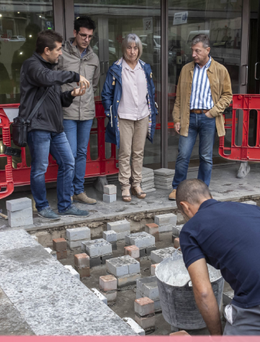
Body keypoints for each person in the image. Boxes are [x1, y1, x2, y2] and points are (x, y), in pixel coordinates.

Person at [176, 179, 260, 335]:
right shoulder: (248, 208)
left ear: (184, 207)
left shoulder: (190, 230)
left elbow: (204, 292)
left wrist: (217, 337)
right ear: (210, 196)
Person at [19, 30, 91, 219]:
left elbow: (55, 99)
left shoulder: (50, 68)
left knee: (68, 162)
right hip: (38, 127)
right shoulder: (32, 66)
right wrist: (74, 75)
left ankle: (65, 205)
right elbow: (46, 78)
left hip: (55, 127)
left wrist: (70, 95)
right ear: (46, 50)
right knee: (40, 168)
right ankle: (42, 207)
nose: (61, 53)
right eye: (58, 49)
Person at [169, 34, 232, 200]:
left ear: (207, 50)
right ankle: (177, 189)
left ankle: (203, 192)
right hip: (188, 117)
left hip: (208, 118)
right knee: (183, 155)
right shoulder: (186, 69)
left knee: (206, 157)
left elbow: (227, 95)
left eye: (197, 51)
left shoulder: (220, 70)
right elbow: (179, 98)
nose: (193, 54)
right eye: (192, 51)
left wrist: (213, 112)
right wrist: (177, 119)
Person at [101, 33, 157, 202]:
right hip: (124, 115)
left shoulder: (145, 68)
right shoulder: (116, 68)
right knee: (125, 152)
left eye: (135, 48)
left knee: (138, 152)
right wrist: (111, 113)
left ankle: (136, 184)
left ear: (139, 49)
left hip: (142, 115)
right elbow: (106, 94)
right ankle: (125, 186)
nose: (132, 52)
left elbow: (151, 91)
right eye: (129, 48)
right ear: (123, 49)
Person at [56, 16, 100, 205]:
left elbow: (94, 84)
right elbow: (54, 81)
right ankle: (67, 195)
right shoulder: (62, 54)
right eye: (83, 35)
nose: (86, 39)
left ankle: (78, 191)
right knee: (70, 154)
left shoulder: (93, 58)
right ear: (74, 33)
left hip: (87, 112)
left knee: (82, 153)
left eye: (90, 36)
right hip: (68, 112)